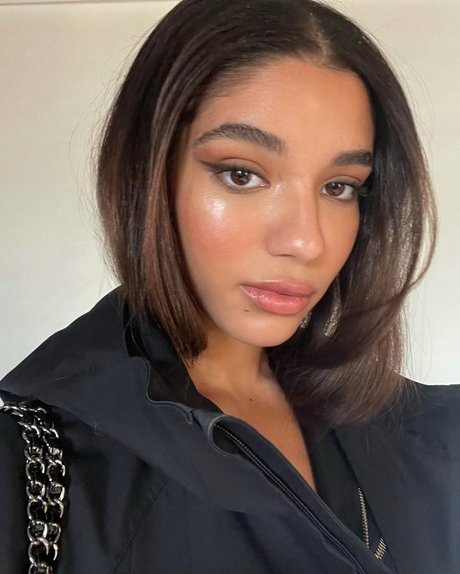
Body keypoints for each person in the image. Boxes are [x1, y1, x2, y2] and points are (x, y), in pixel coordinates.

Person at [1, 0, 458, 572]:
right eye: (242, 174)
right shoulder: (32, 467)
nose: (306, 241)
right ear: (149, 172)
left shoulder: (436, 438)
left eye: (339, 186)